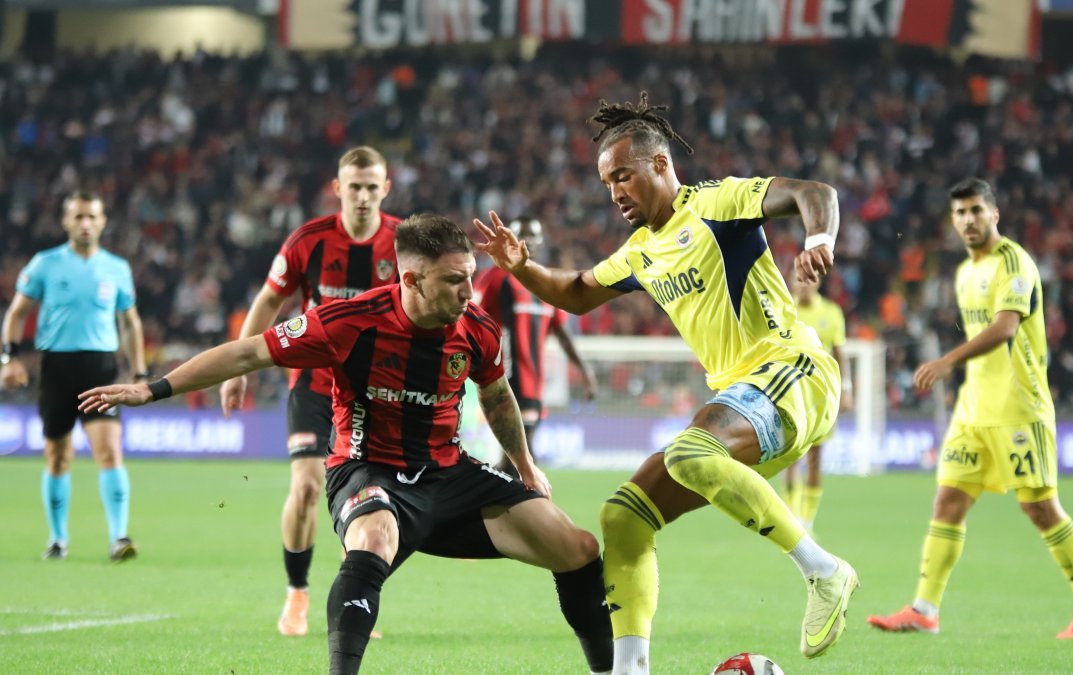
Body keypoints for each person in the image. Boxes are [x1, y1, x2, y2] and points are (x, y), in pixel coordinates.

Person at [81, 214, 614, 675]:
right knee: (374, 536)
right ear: (411, 278)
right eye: (454, 281)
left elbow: (497, 396)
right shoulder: (348, 321)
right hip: (367, 470)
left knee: (579, 550)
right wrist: (151, 389)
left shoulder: (476, 327)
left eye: (470, 278)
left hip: (449, 474)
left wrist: (524, 463)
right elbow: (247, 354)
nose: (468, 293)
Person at [474, 93, 858, 672]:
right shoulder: (640, 252)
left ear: (659, 165)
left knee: (687, 453)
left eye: (622, 177)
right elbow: (577, 292)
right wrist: (522, 266)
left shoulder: (717, 202)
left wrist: (818, 240)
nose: (615, 194)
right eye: (607, 184)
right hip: (745, 404)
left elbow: (816, 193)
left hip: (793, 371)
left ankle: (824, 571)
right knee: (622, 518)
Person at [866, 178, 1073, 639]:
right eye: (960, 213)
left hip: (1019, 408)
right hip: (973, 411)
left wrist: (946, 362)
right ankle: (924, 609)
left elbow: (1003, 329)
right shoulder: (964, 272)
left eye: (977, 210)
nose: (968, 220)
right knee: (948, 502)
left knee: (1040, 508)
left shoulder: (1013, 262)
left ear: (994, 214)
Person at [219, 146, 402, 636]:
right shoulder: (309, 241)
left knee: (368, 498)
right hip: (315, 383)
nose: (363, 196)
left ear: (385, 189)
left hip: (376, 391)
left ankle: (354, 600)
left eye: (372, 187)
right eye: (354, 187)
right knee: (305, 486)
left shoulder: (404, 243)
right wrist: (241, 368)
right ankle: (296, 595)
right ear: (337, 188)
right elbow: (268, 301)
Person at [1, 191, 146, 562]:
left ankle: (120, 537)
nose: (85, 224)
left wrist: (141, 372)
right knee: (57, 456)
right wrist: (9, 359)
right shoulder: (45, 264)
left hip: (101, 368)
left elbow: (129, 324)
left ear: (103, 222)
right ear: (66, 221)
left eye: (92, 217)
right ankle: (58, 540)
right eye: (78, 217)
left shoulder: (116, 268)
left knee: (110, 452)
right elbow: (16, 313)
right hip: (57, 368)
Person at [473, 215, 597, 474]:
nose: (527, 241)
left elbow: (562, 332)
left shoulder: (546, 282)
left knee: (516, 460)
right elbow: (470, 318)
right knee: (524, 457)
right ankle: (539, 507)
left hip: (535, 385)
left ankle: (496, 504)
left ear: (541, 243)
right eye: (521, 235)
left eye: (533, 236)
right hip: (503, 381)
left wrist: (585, 371)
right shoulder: (495, 278)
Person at [781, 277, 852, 534]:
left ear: (818, 281)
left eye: (807, 279)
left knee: (814, 458)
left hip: (821, 394)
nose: (803, 284)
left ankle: (807, 520)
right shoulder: (784, 307)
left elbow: (839, 354)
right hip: (789, 392)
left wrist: (846, 390)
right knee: (789, 455)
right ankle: (791, 516)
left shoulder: (831, 312)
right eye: (798, 279)